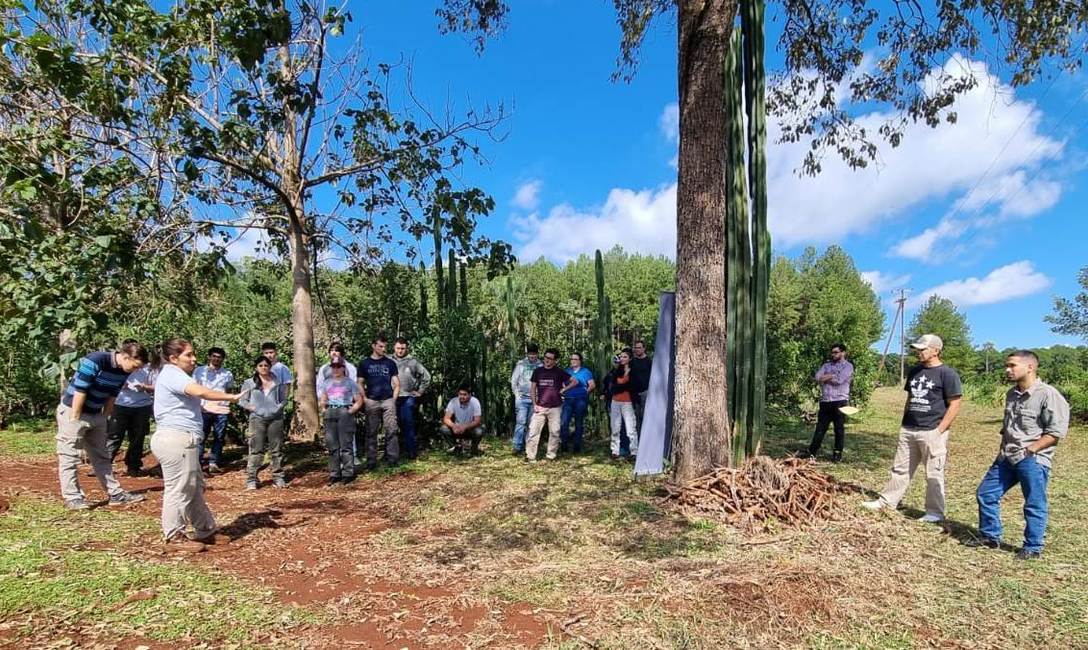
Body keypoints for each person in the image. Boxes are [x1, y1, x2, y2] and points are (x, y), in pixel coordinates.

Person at [966, 350, 1071, 560]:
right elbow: (1007, 428)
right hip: (1006, 456)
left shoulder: (1048, 394)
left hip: (1032, 459)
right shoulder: (1011, 394)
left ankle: (1032, 547)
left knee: (1034, 502)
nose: (1008, 369)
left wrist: (1030, 450)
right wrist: (1002, 450)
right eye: (1007, 365)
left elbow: (1056, 433)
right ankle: (990, 535)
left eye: (1012, 365)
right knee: (986, 494)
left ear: (1030, 367)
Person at [151, 338, 242, 551]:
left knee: (193, 487)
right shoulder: (173, 374)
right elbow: (201, 392)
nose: (194, 359)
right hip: (176, 440)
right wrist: (231, 397)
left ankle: (206, 530)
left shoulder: (177, 374)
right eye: (188, 355)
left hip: (184, 440)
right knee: (179, 488)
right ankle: (173, 536)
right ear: (174, 358)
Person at [863, 334, 962, 523]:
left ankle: (934, 512)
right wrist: (904, 421)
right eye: (917, 349)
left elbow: (955, 404)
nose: (918, 352)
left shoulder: (947, 374)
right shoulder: (915, 371)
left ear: (935, 350)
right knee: (900, 469)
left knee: (933, 472)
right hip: (909, 428)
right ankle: (887, 501)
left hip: (932, 430)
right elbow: (910, 399)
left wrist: (939, 430)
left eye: (922, 349)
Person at [57, 342, 150, 510]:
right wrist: (75, 420)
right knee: (70, 456)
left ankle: (115, 494)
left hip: (95, 414)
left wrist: (104, 418)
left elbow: (113, 394)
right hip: (73, 411)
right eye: (135, 366)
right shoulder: (96, 360)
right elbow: (80, 390)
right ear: (126, 356)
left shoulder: (124, 370)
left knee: (102, 456)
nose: (135, 371)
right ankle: (73, 498)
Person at [106, 340, 157, 477]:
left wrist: (145, 387)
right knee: (114, 436)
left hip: (142, 406)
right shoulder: (118, 366)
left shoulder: (148, 368)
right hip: (120, 405)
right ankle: (103, 465)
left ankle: (133, 466)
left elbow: (157, 386)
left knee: (137, 438)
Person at [238, 355, 290, 489]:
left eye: (266, 365)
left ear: (270, 367)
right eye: (260, 365)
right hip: (257, 419)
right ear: (256, 367)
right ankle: (251, 479)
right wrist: (251, 408)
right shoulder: (250, 383)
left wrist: (278, 407)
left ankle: (278, 477)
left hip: (276, 419)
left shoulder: (277, 381)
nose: (263, 368)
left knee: (276, 449)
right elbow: (242, 400)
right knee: (256, 449)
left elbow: (284, 398)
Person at [800, 343, 854, 462]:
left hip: (840, 401)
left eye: (836, 352)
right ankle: (812, 451)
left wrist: (827, 377)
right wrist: (831, 376)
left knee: (838, 429)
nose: (833, 354)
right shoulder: (826, 365)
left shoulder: (848, 366)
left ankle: (837, 453)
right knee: (820, 428)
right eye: (832, 352)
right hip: (825, 401)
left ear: (843, 353)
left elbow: (839, 381)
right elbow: (818, 377)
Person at [358, 334, 400, 469]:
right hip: (372, 401)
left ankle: (392, 458)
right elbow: (360, 382)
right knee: (371, 431)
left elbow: (396, 383)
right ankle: (371, 461)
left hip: (388, 400)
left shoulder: (390, 363)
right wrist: (364, 398)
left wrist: (393, 399)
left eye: (385, 347)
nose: (383, 349)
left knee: (392, 430)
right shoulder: (364, 363)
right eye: (380, 346)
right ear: (373, 346)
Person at [319, 361, 363, 487]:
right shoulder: (326, 382)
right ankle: (335, 474)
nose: (336, 369)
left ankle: (348, 473)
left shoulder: (350, 382)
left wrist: (350, 411)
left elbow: (358, 400)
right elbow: (323, 398)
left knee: (346, 444)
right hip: (330, 412)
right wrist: (324, 409)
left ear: (343, 368)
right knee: (332, 445)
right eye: (333, 367)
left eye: (339, 367)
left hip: (344, 411)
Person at [526, 348, 574, 462]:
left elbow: (574, 381)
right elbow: (532, 389)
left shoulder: (559, 372)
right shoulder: (538, 371)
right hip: (540, 406)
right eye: (545, 357)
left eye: (550, 358)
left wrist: (564, 389)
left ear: (555, 360)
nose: (547, 360)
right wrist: (534, 404)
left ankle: (551, 455)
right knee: (533, 431)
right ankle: (530, 456)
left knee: (555, 432)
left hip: (555, 407)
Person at [193, 347, 234, 473]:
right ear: (209, 357)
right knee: (201, 436)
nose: (216, 359)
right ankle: (197, 463)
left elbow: (229, 390)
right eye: (214, 356)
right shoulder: (199, 371)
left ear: (222, 359)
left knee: (219, 436)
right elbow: (194, 388)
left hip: (221, 409)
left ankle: (214, 462)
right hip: (203, 408)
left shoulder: (227, 374)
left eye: (219, 357)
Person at [393, 337, 431, 459]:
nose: (400, 351)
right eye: (398, 348)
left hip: (408, 397)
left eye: (403, 348)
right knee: (394, 424)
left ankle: (411, 451)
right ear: (394, 348)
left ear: (406, 348)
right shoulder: (388, 360)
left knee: (408, 422)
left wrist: (420, 391)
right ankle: (393, 453)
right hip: (392, 397)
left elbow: (427, 376)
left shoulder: (413, 362)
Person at [603, 351, 638, 461]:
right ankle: (615, 451)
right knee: (615, 427)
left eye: (625, 357)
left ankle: (634, 451)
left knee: (630, 428)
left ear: (630, 358)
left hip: (627, 402)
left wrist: (620, 386)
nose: (622, 358)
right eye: (621, 356)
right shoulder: (616, 371)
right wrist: (623, 386)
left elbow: (633, 386)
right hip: (615, 402)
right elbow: (612, 387)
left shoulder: (633, 371)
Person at [509, 343, 542, 454]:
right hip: (522, 398)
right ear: (527, 354)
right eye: (530, 354)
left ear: (537, 354)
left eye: (534, 354)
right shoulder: (521, 364)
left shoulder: (541, 365)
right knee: (520, 422)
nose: (532, 356)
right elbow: (514, 380)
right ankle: (517, 446)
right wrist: (517, 395)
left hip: (535, 399)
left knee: (531, 424)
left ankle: (529, 447)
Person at [559, 352, 595, 454]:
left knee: (579, 423)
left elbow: (592, 385)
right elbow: (562, 384)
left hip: (580, 400)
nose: (573, 361)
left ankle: (577, 446)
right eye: (571, 359)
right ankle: (564, 446)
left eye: (575, 359)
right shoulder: (567, 371)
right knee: (564, 422)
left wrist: (584, 393)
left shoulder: (585, 371)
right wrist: (563, 392)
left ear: (580, 361)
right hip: (568, 399)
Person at [440, 384, 485, 456]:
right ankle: (456, 447)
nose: (462, 397)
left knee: (479, 431)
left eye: (465, 394)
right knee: (444, 428)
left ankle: (473, 449)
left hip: (469, 429)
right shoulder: (453, 401)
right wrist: (453, 426)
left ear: (470, 395)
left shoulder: (475, 402)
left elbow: (477, 421)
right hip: (457, 428)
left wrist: (465, 427)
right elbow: (446, 418)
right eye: (460, 394)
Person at [630, 340, 653, 430]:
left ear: (644, 348)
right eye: (636, 347)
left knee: (645, 416)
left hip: (645, 393)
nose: (637, 349)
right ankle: (638, 441)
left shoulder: (649, 361)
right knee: (636, 418)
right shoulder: (632, 362)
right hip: (634, 394)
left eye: (639, 347)